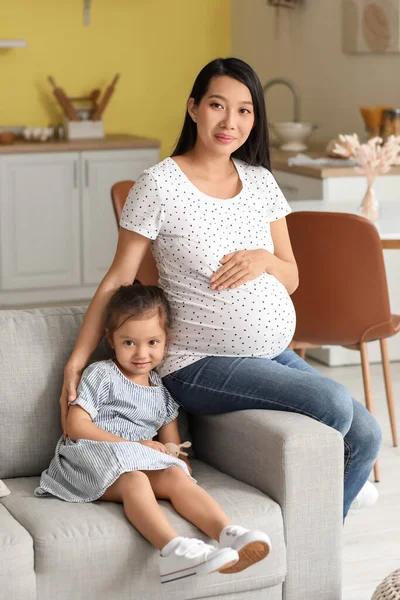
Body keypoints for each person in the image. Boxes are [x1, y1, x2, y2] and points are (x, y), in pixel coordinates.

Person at [60, 57, 381, 519]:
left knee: (367, 435)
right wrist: (76, 359)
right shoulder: (159, 184)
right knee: (333, 401)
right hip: (198, 363)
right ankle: (314, 527)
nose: (231, 122)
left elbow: (291, 276)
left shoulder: (261, 182)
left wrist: (265, 260)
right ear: (193, 108)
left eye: (245, 110)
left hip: (268, 354)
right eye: (217, 105)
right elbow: (118, 278)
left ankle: (317, 537)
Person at [37, 282, 271, 583]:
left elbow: (173, 445)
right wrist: (137, 444)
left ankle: (228, 533)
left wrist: (177, 462)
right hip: (89, 456)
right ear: (111, 340)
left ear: (166, 340)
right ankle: (173, 551)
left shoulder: (161, 392)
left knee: (174, 474)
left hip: (136, 457)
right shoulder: (102, 374)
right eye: (129, 343)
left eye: (152, 342)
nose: (141, 354)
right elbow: (76, 426)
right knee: (135, 479)